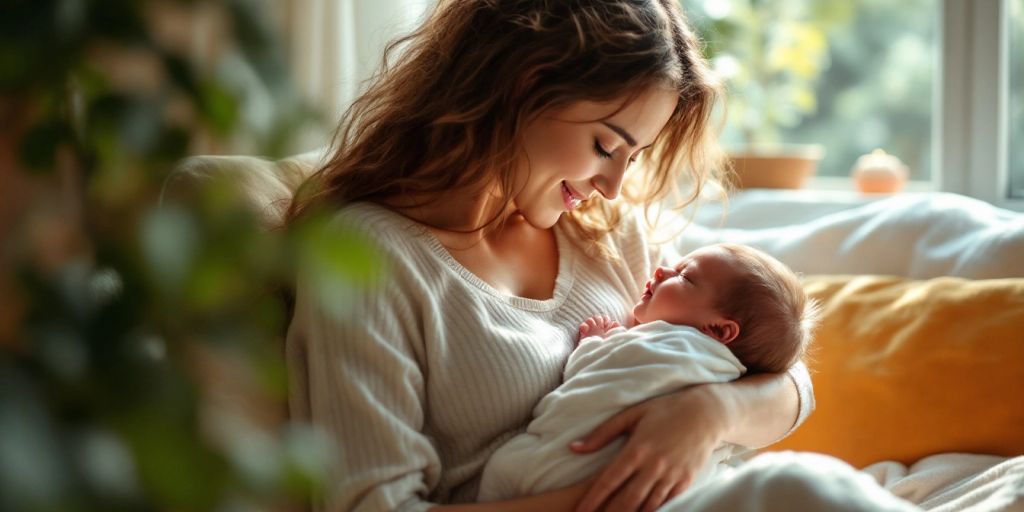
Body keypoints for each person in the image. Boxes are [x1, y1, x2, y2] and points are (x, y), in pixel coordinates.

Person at [285, 1, 816, 511]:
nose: (612, 186)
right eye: (606, 147)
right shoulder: (368, 256)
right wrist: (637, 491)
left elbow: (787, 378)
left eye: (635, 157)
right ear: (523, 85)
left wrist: (709, 412)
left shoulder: (607, 232)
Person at [477, 242, 819, 502]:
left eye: (684, 276)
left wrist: (595, 341)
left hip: (553, 470)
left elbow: (594, 370)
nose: (661, 270)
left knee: (505, 472)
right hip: (673, 493)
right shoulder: (735, 370)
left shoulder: (669, 341)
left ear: (718, 330)